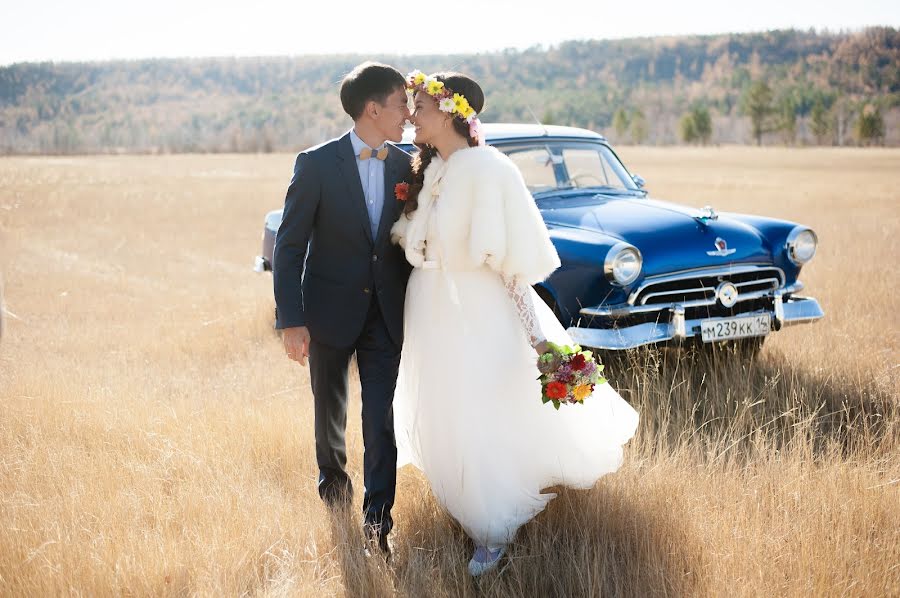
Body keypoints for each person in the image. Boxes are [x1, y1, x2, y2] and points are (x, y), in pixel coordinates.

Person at [390, 71, 640, 576]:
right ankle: (466, 501)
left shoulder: (490, 170)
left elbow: (513, 264)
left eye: (419, 105)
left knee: (480, 410)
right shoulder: (434, 167)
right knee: (445, 411)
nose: (412, 115)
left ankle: (492, 529)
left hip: (477, 309)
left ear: (451, 112)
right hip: (431, 306)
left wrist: (536, 335)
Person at [273, 61, 412, 558]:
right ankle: (334, 488)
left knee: (381, 420)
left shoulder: (407, 164)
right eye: (401, 104)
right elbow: (289, 248)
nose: (408, 114)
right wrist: (291, 320)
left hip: (385, 318)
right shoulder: (315, 164)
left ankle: (378, 524)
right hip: (327, 311)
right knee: (329, 413)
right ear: (372, 109)